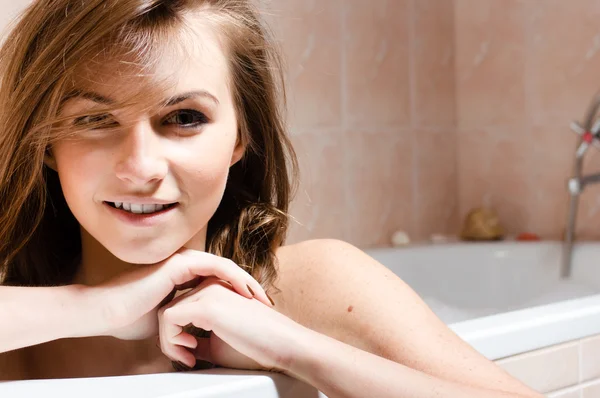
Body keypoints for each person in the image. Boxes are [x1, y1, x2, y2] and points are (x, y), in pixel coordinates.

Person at [0, 0, 541, 396]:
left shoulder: (318, 287)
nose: (140, 168)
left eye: (184, 118)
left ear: (241, 137)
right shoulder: (20, 327)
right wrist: (96, 308)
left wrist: (291, 348)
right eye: (95, 120)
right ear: (45, 143)